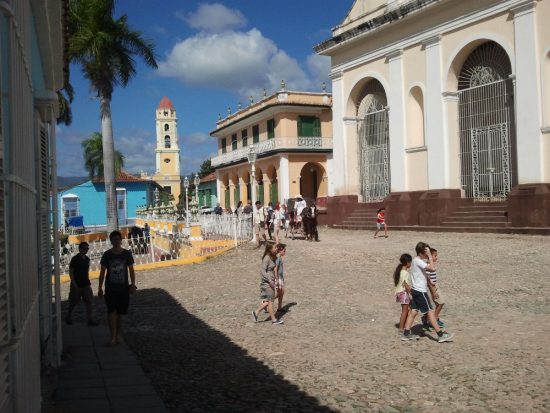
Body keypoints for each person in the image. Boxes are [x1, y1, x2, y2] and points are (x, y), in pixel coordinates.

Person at [401, 242, 453, 343]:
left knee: (414, 312)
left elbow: (429, 268)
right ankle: (440, 335)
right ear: (422, 252)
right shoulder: (417, 261)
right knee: (430, 312)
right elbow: (433, 269)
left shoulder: (417, 261)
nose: (428, 253)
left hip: (415, 290)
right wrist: (429, 255)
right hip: (420, 291)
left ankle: (406, 334)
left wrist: (429, 257)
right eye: (426, 251)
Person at [98, 230, 137, 346]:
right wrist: (100, 288)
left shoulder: (126, 254)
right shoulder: (107, 255)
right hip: (110, 289)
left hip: (123, 288)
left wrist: (133, 284)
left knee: (120, 314)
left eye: (117, 239)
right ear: (111, 241)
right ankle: (113, 336)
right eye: (114, 240)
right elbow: (102, 272)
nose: (116, 242)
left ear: (121, 240)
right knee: (111, 312)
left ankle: (118, 335)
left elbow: (131, 270)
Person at [65, 242, 99, 326]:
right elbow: (71, 271)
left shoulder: (87, 259)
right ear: (79, 249)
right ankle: (68, 316)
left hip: (86, 284)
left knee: (89, 302)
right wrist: (73, 282)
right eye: (84, 248)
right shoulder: (75, 259)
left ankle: (90, 320)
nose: (85, 250)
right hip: (76, 284)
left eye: (87, 248)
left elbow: (86, 271)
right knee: (73, 302)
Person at [251, 243, 284, 325]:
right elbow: (262, 271)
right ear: (270, 249)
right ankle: (274, 320)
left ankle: (256, 312)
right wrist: (270, 280)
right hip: (267, 283)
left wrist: (275, 279)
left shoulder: (273, 257)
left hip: (272, 281)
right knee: (271, 301)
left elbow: (275, 268)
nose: (277, 248)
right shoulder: (267, 258)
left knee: (270, 300)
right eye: (275, 247)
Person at [422, 247, 445, 329]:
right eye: (435, 255)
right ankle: (433, 319)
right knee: (440, 302)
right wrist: (433, 291)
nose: (437, 257)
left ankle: (427, 318)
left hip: (435, 286)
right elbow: (428, 281)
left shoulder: (430, 265)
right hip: (433, 287)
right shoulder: (428, 266)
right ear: (430, 256)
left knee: (438, 303)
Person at [393, 253, 412, 335]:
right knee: (405, 311)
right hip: (404, 293)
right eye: (410, 262)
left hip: (399, 293)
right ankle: (401, 328)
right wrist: (412, 293)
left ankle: (403, 326)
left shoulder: (400, 271)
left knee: (405, 310)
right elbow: (406, 285)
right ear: (407, 262)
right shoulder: (405, 273)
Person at [275, 243, 287, 314]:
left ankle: (279, 307)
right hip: (278, 278)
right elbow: (275, 268)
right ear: (280, 251)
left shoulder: (279, 257)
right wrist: (276, 279)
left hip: (280, 278)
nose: (285, 252)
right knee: (280, 292)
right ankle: (266, 302)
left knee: (281, 293)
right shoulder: (278, 258)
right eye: (284, 250)